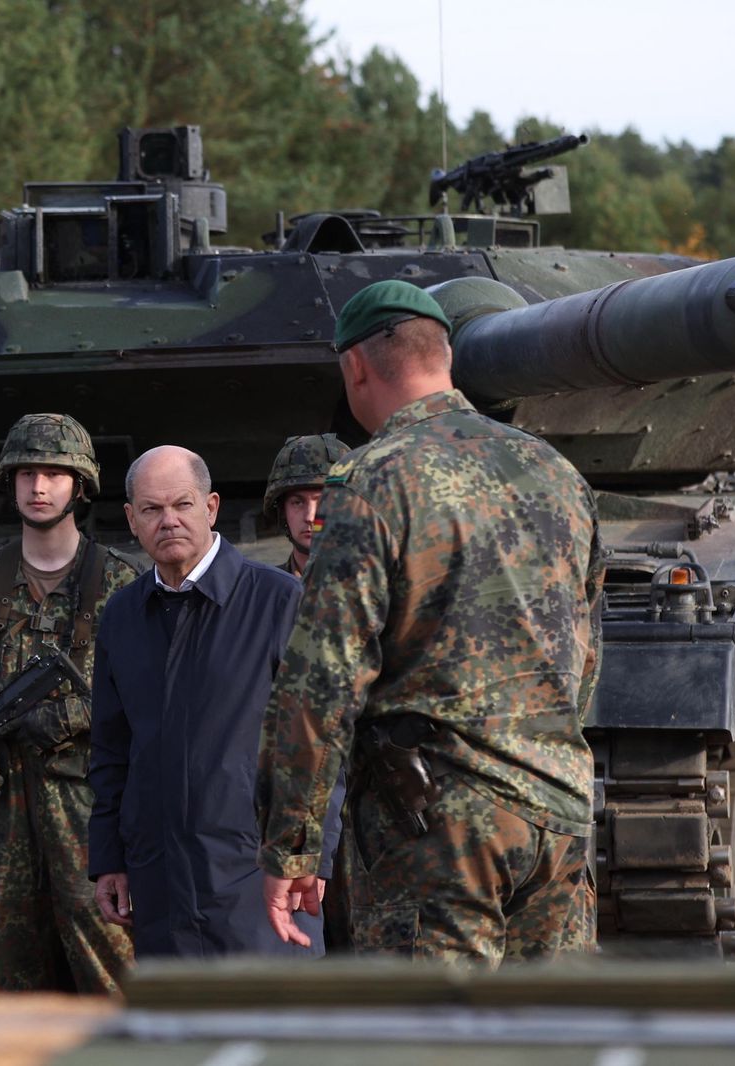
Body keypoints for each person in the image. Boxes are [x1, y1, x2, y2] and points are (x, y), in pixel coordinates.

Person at [255, 280, 604, 967]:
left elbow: (322, 676)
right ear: (443, 356)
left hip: (438, 830)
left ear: (355, 366)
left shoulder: (369, 480)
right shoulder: (557, 472)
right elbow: (584, 651)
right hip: (557, 810)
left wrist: (292, 844)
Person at [88, 445, 342, 958]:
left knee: (274, 1030)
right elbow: (112, 751)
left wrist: (305, 855)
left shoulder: (278, 602)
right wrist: (109, 858)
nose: (169, 521)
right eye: (152, 510)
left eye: (182, 505)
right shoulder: (121, 616)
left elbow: (321, 742)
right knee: (178, 1033)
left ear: (211, 507)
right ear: (131, 519)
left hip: (260, 879)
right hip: (157, 881)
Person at [0, 413, 138, 992]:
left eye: (53, 473)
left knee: (113, 966)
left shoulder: (119, 584)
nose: (39, 487)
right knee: (2, 972)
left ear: (80, 486)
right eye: (25, 474)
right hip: (1, 808)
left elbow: (148, 705)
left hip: (90, 806)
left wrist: (65, 717)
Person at [262, 434, 350, 577]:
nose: (310, 517)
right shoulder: (264, 590)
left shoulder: (381, 590)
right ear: (283, 511)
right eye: (297, 503)